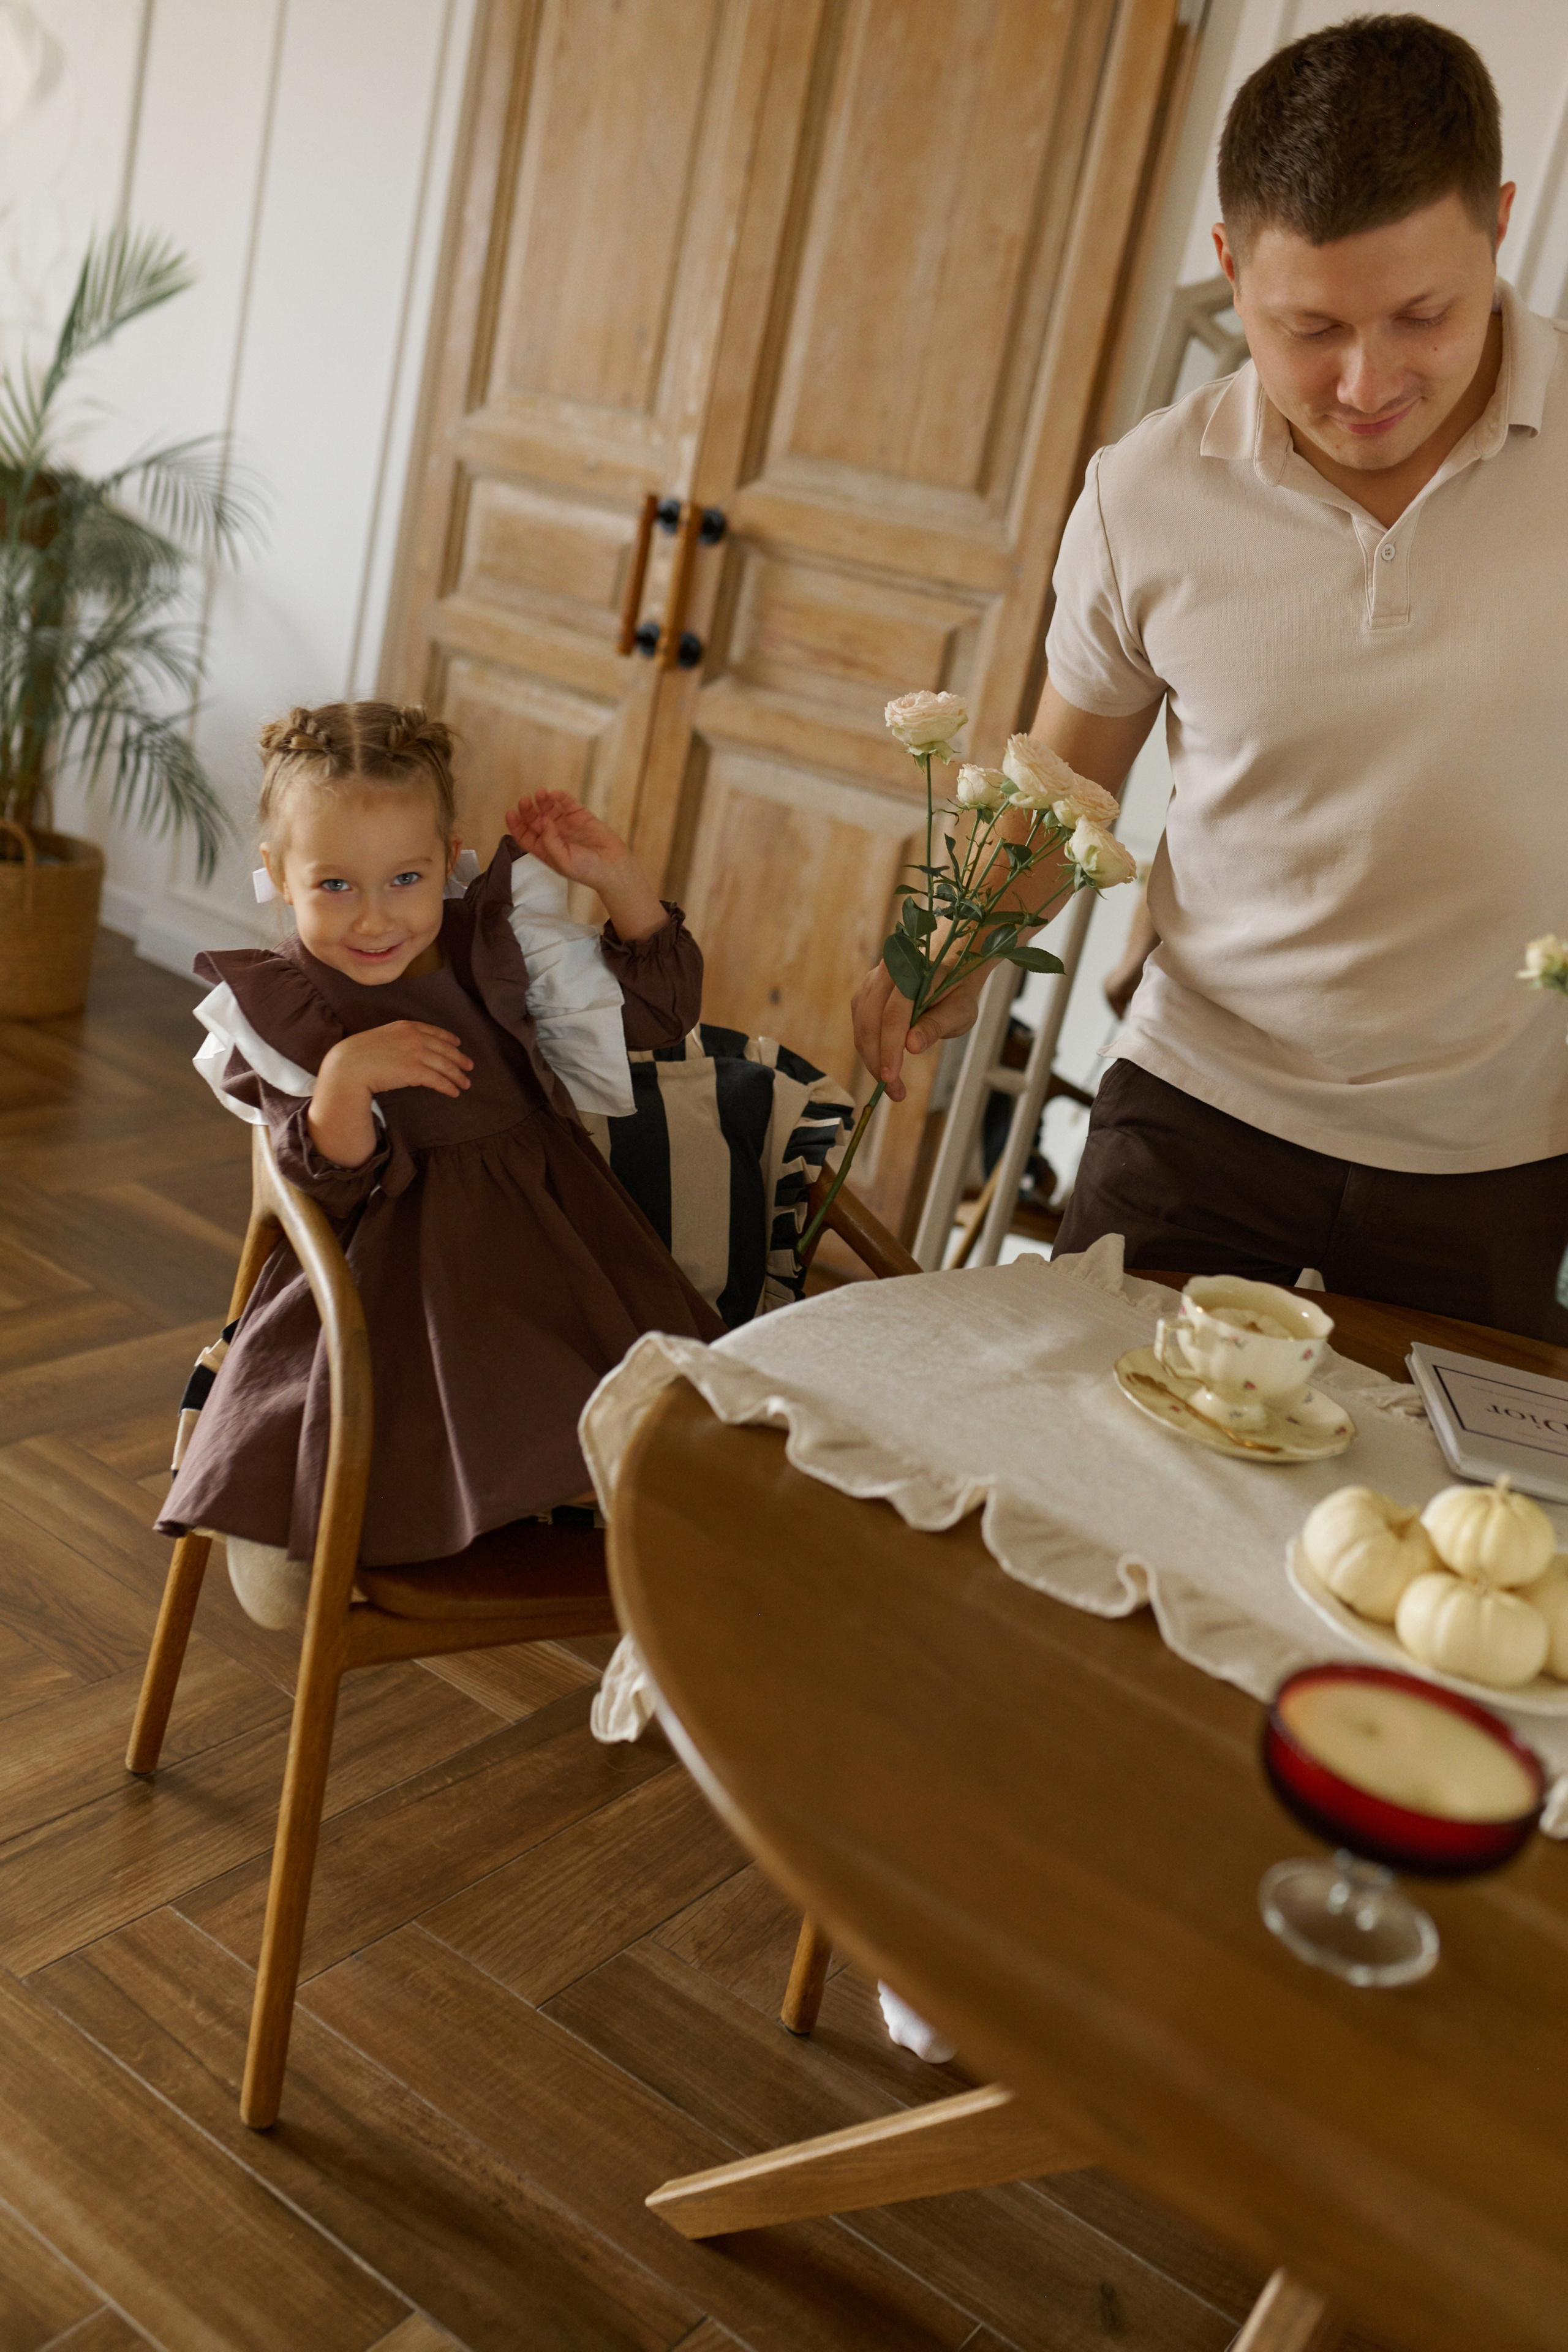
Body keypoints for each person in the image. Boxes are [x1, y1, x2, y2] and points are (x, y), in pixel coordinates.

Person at [851, 13, 1568, 1340]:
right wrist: (945, 947)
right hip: (1199, 1106)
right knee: (1082, 1476)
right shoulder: (1145, 494)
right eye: (1309, 328)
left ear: (1499, 230)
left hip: (1500, 1154)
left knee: (1432, 1543)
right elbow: (1065, 782)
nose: (1365, 384)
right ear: (1231, 269)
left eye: (1422, 314)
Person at [157, 700, 722, 1628]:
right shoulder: (288, 1004)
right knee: (406, 1420)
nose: (376, 917)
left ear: (449, 857)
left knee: (662, 1425)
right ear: (277, 876)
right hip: (404, 1274)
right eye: (334, 885)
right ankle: (436, 1515)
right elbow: (322, 1185)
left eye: (406, 878)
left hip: (558, 1247)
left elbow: (658, 1017)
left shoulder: (496, 946)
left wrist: (617, 879)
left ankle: (580, 1507)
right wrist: (344, 1082)